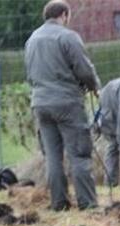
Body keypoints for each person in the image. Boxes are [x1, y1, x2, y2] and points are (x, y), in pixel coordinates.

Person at [25, 0, 100, 211]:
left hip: (40, 104)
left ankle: (59, 204)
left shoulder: (32, 39)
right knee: (79, 154)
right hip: (67, 103)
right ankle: (87, 204)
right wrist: (94, 86)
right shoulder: (67, 37)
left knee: (52, 157)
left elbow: (29, 73)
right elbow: (83, 69)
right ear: (64, 15)